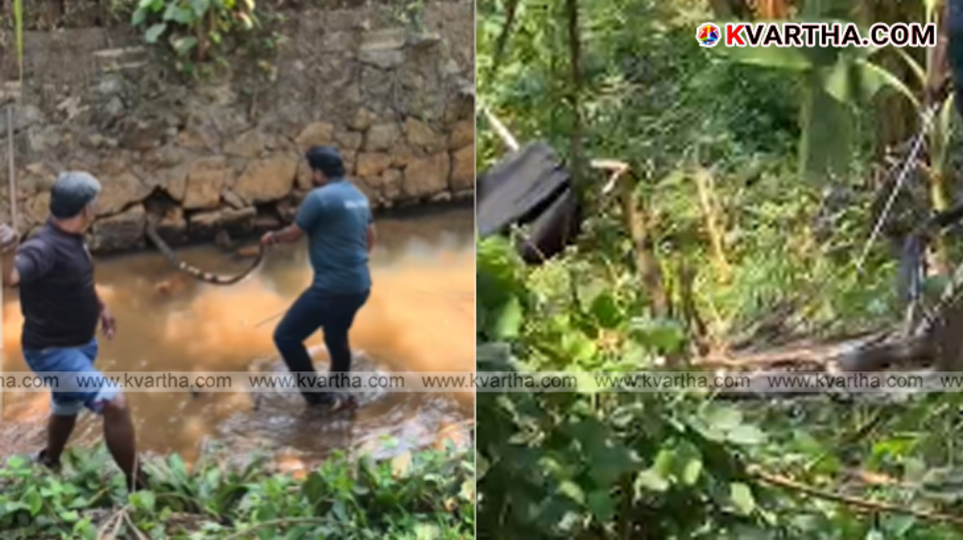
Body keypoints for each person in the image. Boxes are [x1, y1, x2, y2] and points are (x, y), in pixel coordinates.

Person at [0, 172, 146, 491]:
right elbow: (10, 278)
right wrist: (7, 252)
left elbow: (79, 280)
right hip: (52, 354)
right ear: (86, 208)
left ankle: (49, 460)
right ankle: (138, 484)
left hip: (78, 345)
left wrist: (101, 306)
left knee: (66, 405)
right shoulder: (44, 247)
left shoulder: (72, 238)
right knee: (115, 403)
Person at [262, 146, 375, 408]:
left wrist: (272, 238)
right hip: (360, 285)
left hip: (332, 288)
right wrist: (352, 264)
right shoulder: (359, 196)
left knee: (286, 337)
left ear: (319, 173)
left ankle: (319, 399)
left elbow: (293, 235)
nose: (310, 176)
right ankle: (341, 390)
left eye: (311, 171)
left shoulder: (319, 198)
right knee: (336, 336)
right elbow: (371, 237)